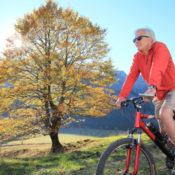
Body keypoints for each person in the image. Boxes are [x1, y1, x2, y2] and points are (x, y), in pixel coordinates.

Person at [116, 28, 175, 149]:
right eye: (134, 40)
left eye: (139, 38)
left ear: (150, 39)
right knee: (163, 132)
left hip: (172, 88)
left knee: (165, 113)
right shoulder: (138, 57)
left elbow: (158, 66)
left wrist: (152, 87)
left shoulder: (160, 47)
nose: (135, 42)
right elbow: (131, 77)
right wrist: (122, 96)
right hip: (158, 94)